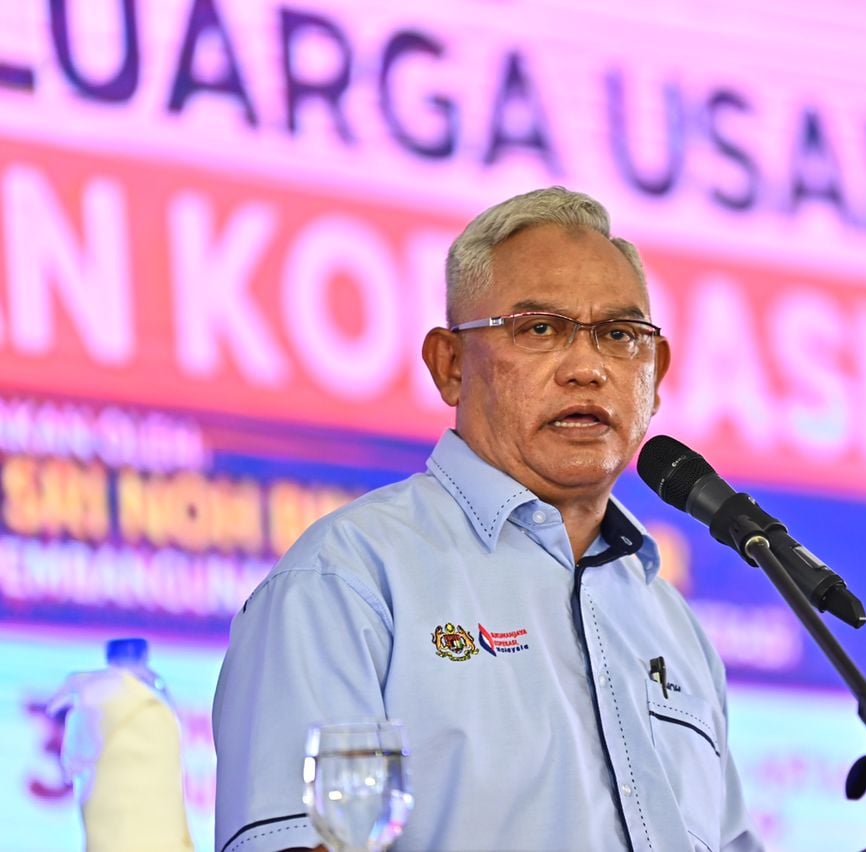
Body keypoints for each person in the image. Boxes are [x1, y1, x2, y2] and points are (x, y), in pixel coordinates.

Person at [212, 187, 763, 852]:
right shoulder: (347, 579)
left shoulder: (673, 627)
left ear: (656, 372)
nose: (587, 368)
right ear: (450, 366)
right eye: (540, 329)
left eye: (620, 336)